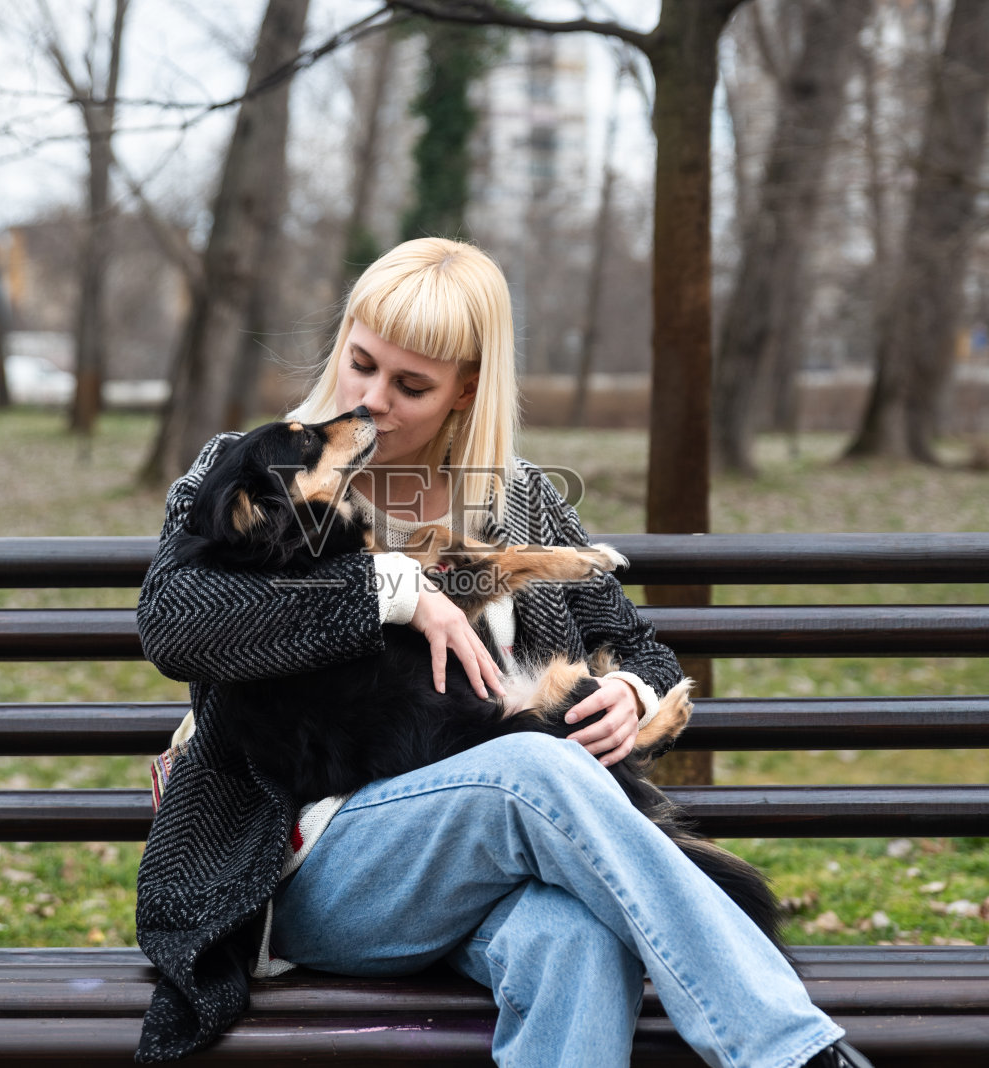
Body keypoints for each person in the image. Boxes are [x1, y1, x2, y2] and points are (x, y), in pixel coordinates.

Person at [134, 238, 870, 1068]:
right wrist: (396, 589)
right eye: (360, 362)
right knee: (532, 769)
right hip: (305, 873)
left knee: (576, 940)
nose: (372, 400)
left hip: (480, 876)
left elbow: (635, 644)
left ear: (467, 388)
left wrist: (628, 692)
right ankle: (790, 1054)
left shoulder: (518, 501)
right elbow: (174, 622)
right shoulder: (252, 471)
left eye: (410, 385)